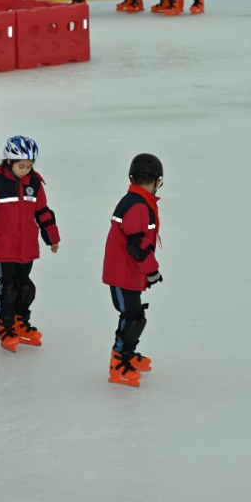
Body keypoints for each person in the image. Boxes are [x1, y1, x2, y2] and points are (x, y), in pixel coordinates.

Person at [0, 136, 61, 352]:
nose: (25, 171)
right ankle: (6, 326)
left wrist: (52, 236)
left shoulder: (35, 183)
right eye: (21, 166)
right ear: (9, 161)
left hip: (27, 247)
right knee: (8, 287)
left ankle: (21, 322)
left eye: (29, 167)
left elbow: (43, 212)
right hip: (3, 248)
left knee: (25, 287)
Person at [102, 154, 164, 388]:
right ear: (157, 180)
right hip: (122, 273)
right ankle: (119, 363)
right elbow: (136, 245)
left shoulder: (136, 200)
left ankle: (127, 355)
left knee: (134, 315)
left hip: (127, 271)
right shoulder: (139, 206)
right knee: (132, 317)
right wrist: (152, 270)